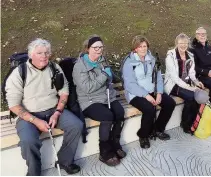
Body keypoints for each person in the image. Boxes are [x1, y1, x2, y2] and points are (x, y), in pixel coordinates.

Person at [5, 38, 82, 175]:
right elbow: (14, 105)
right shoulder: (19, 72)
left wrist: (57, 112)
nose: (44, 56)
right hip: (28, 115)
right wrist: (36, 121)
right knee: (28, 141)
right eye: (39, 53)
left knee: (76, 125)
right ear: (31, 55)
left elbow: (64, 91)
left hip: (53, 109)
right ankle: (34, 172)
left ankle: (65, 161)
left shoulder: (54, 68)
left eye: (46, 52)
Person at [73, 35, 126, 166]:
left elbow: (111, 77)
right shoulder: (80, 66)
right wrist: (103, 75)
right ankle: (105, 151)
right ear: (87, 49)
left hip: (106, 96)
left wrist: (118, 78)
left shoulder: (102, 61)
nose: (98, 50)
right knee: (107, 116)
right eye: (95, 47)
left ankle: (115, 143)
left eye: (101, 47)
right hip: (89, 100)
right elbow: (87, 88)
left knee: (119, 112)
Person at [122, 35, 176, 149]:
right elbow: (130, 84)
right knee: (149, 108)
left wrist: (160, 93)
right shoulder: (129, 62)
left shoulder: (152, 59)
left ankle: (157, 129)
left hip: (152, 90)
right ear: (135, 49)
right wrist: (146, 95)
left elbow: (158, 78)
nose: (143, 49)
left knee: (170, 103)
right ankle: (143, 135)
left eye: (145, 46)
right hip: (135, 94)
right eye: (140, 46)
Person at [164, 33, 206, 133]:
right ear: (177, 43)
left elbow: (191, 74)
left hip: (185, 84)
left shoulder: (190, 56)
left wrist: (197, 82)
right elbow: (175, 79)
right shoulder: (170, 56)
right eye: (181, 43)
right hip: (173, 85)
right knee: (192, 96)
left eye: (185, 43)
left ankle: (192, 121)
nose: (183, 45)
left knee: (197, 96)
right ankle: (185, 124)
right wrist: (191, 88)